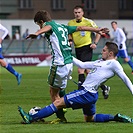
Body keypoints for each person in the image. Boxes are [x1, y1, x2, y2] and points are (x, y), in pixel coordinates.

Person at [25, 10, 109, 123]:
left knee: (53, 91)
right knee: (60, 89)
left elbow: (47, 27)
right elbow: (80, 28)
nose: (40, 26)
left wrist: (37, 32)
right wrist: (97, 30)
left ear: (41, 21)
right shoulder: (63, 26)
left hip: (59, 64)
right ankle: (62, 109)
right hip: (69, 63)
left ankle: (60, 116)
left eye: (39, 24)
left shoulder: (49, 25)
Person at [18, 42, 133, 124]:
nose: (102, 51)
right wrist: (68, 54)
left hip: (86, 93)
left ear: (110, 53)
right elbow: (82, 65)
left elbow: (125, 79)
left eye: (104, 50)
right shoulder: (100, 62)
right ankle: (115, 117)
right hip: (91, 94)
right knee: (89, 119)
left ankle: (31, 118)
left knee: (57, 102)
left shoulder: (114, 64)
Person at [68, 5, 110, 99]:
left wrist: (95, 43)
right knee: (88, 71)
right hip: (78, 48)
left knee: (80, 69)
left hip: (87, 48)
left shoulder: (88, 22)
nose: (77, 14)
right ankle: (104, 87)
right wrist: (70, 40)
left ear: (82, 13)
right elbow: (70, 33)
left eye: (79, 12)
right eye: (75, 12)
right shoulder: (70, 23)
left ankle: (80, 92)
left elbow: (99, 32)